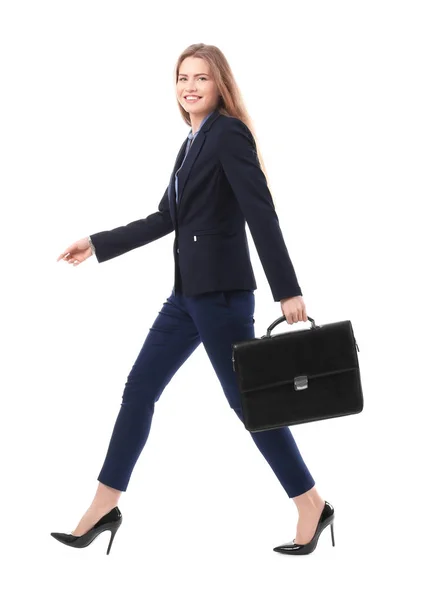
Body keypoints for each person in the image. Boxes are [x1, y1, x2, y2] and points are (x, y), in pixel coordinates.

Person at [52, 43, 335, 556]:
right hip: (187, 296)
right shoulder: (190, 143)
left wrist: (287, 289)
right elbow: (167, 218)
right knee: (139, 388)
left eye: (201, 78)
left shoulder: (227, 133)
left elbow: (260, 211)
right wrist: (97, 243)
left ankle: (310, 503)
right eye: (183, 77)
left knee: (248, 405)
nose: (190, 87)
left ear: (219, 83)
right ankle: (104, 504)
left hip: (223, 297)